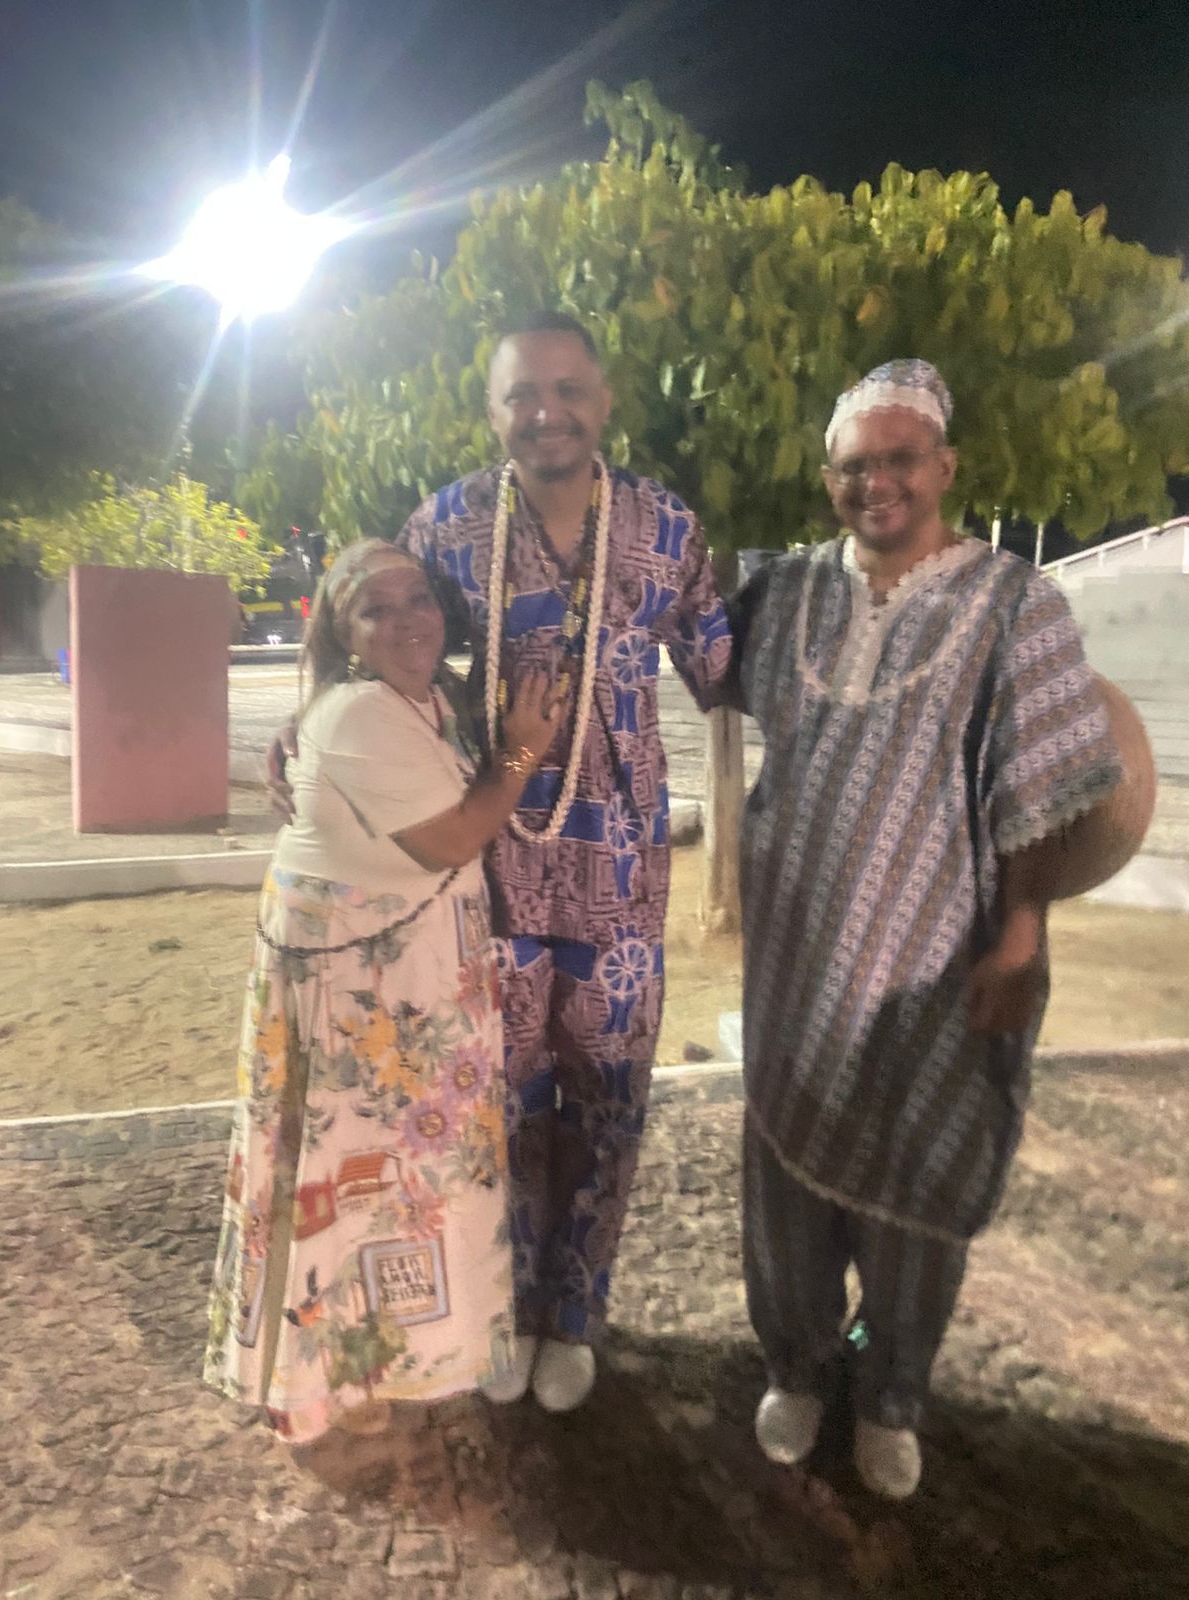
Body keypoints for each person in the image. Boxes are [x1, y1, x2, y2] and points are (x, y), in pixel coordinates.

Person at [728, 360, 1122, 1499]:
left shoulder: (1015, 604)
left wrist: (1021, 934)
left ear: (945, 467)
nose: (879, 482)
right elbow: (665, 644)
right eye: (855, 465)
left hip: (939, 953)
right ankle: (798, 1366)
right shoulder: (786, 592)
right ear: (828, 480)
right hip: (797, 955)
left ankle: (892, 1391)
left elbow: (1042, 783)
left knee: (918, 1171)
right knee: (786, 1168)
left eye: (901, 459)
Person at [392, 310, 734, 1411]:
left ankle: (575, 1313)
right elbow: (380, 640)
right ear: (493, 410)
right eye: (522, 395)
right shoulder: (446, 529)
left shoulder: (666, 529)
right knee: (497, 1101)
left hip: (622, 880)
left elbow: (727, 665)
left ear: (605, 397)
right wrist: (315, 715)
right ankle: (501, 1308)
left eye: (568, 390)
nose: (547, 413)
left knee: (607, 1101)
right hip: (489, 869)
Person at [205, 540, 565, 1444]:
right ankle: (314, 1378)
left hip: (398, 989)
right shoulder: (361, 711)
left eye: (419, 600)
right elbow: (454, 838)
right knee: (337, 1185)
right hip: (351, 1002)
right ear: (344, 633)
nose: (408, 621)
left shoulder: (426, 699)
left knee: (402, 1188)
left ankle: (396, 1359)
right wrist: (524, 751)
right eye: (378, 609)